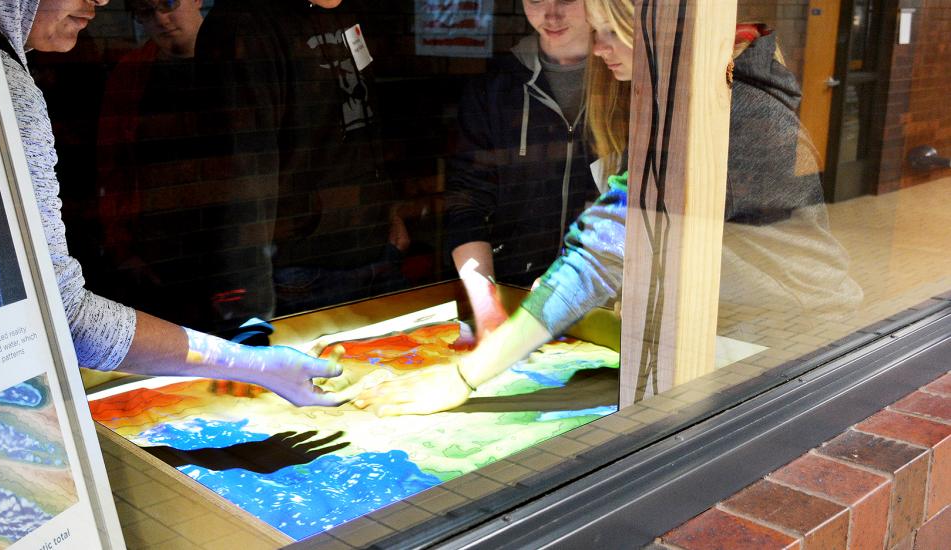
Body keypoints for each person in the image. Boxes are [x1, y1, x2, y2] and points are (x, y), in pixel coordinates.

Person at [353, 0, 861, 416]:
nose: (597, 49)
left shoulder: (721, 114)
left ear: (652, 29)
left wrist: (463, 377)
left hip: (792, 341)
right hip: (755, 329)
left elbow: (601, 255)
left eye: (609, 33)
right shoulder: (704, 94)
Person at [0, 0, 343, 406]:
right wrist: (251, 363)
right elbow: (62, 314)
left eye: (168, 3)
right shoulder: (5, 87)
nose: (101, 0)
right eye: (146, 9)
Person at [191, 0, 409, 336]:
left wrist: (388, 210)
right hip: (298, 274)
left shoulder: (348, 13)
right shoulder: (243, 25)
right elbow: (242, 178)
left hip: (377, 253)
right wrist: (247, 320)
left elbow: (364, 128)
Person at [446, 0, 599, 341]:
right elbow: (466, 202)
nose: (551, 14)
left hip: (603, 304)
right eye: (535, 0)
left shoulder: (627, 82)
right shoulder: (495, 87)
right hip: (514, 298)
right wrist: (487, 304)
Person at [92, 0, 209, 329]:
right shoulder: (130, 75)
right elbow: (112, 169)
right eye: (145, 10)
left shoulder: (237, 59)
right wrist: (122, 249)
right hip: (159, 256)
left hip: (232, 248)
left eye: (168, 3)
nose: (160, 18)